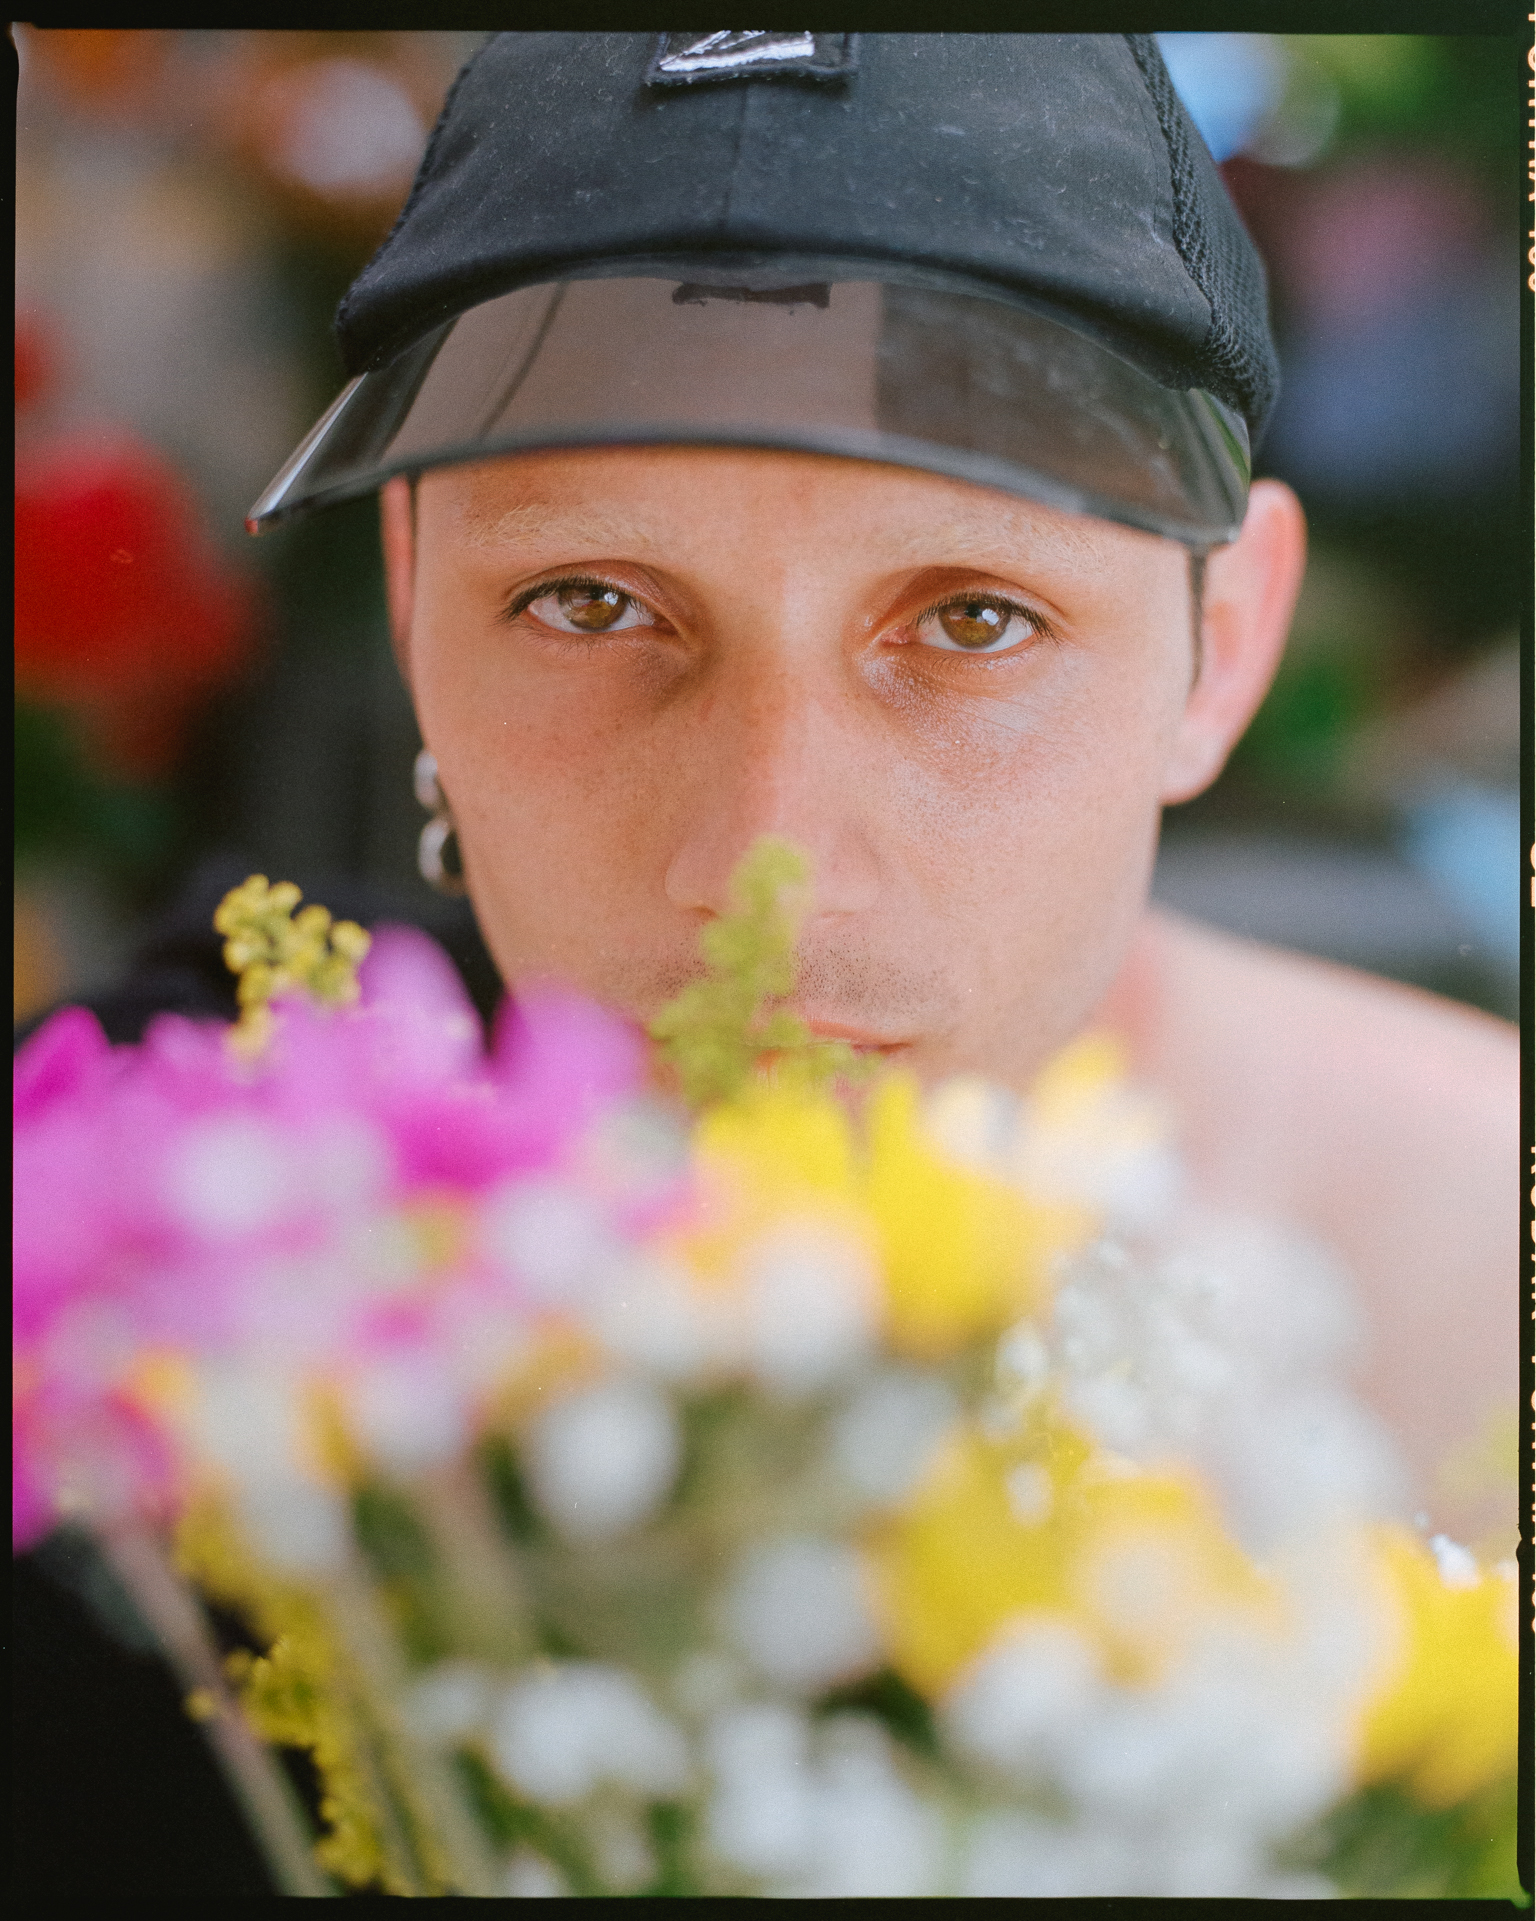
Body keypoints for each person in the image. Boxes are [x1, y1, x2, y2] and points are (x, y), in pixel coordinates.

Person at [13, 31, 1516, 1894]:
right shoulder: (158, 1312)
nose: (762, 864)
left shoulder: (1478, 1282)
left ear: (1224, 643)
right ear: (412, 601)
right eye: (591, 602)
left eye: (973, 617)